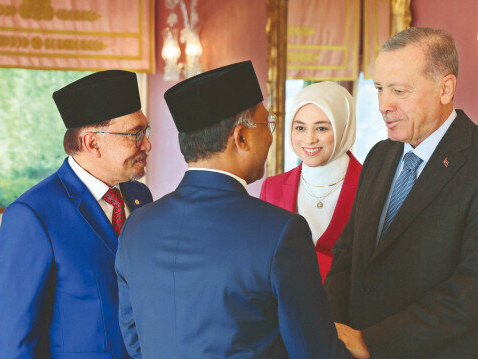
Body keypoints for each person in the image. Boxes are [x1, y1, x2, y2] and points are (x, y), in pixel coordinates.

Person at [115, 61, 353, 359]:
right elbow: (315, 353)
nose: (271, 136)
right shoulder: (280, 232)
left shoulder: (137, 225)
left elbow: (135, 342)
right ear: (241, 138)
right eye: (268, 125)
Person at [324, 27, 478, 359]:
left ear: (445, 88)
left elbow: (473, 290)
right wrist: (330, 328)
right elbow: (347, 254)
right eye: (378, 89)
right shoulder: (378, 156)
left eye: (399, 91)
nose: (383, 105)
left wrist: (372, 342)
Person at [0, 70, 153, 359]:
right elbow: (17, 341)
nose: (147, 144)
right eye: (135, 134)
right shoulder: (32, 215)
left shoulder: (139, 196)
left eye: (146, 131)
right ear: (92, 143)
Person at [260, 81, 362, 282]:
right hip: (287, 309)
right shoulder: (272, 188)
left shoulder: (373, 184)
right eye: (300, 128)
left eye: (321, 128)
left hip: (351, 310)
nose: (309, 139)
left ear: (343, 127)